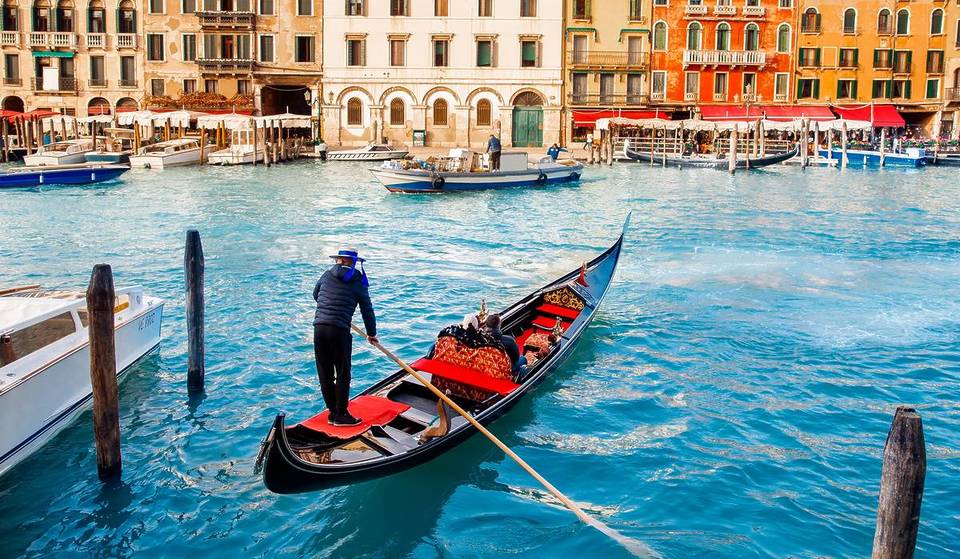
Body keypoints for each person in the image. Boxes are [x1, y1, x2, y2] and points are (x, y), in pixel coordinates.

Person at [312, 248, 378, 426]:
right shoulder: (357, 281)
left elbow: (315, 295)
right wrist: (371, 333)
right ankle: (341, 415)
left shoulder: (326, 275)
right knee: (342, 373)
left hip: (319, 327)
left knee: (324, 373)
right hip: (339, 330)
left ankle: (333, 413)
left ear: (339, 260)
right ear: (353, 262)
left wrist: (329, 309)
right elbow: (367, 309)